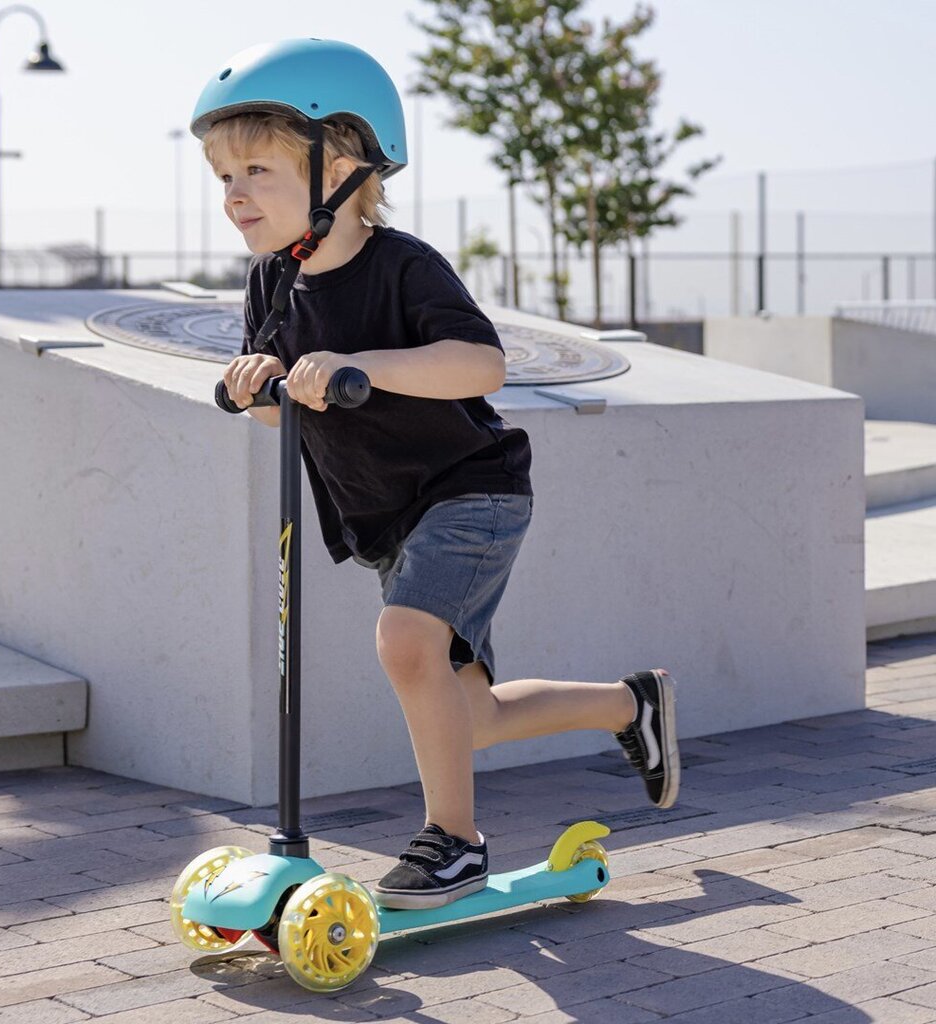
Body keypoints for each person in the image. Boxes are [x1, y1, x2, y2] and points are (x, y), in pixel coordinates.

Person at [190, 38, 679, 911]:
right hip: (384, 517)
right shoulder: (270, 284)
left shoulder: (402, 264)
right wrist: (256, 387)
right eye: (222, 176)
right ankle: (628, 705)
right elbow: (286, 410)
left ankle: (455, 844)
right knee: (466, 712)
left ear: (339, 164)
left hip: (470, 488)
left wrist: (362, 364)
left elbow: (480, 365)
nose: (232, 196)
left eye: (256, 170)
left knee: (405, 646)